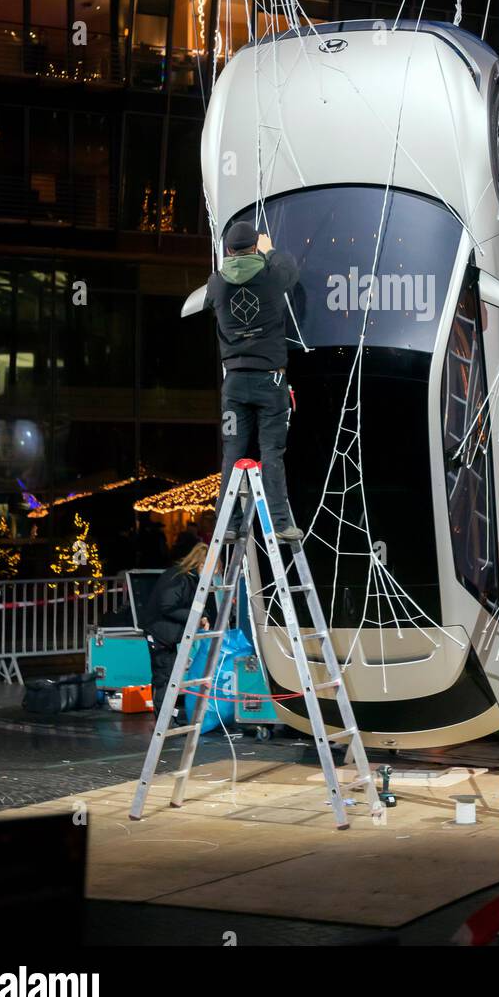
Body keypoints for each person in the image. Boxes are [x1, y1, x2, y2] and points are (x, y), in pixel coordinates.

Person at [203, 220, 302, 542]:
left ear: (228, 250)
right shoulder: (272, 278)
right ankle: (281, 523)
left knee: (232, 453)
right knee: (271, 453)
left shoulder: (216, 284)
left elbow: (208, 302)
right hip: (270, 383)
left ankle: (227, 525)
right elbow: (289, 268)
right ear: (253, 247)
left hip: (234, 384)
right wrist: (269, 248)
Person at [139, 543, 218, 721]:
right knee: (164, 675)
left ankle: (167, 716)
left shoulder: (191, 579)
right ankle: (163, 718)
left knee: (169, 673)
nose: (213, 575)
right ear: (201, 565)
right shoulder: (177, 577)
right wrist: (195, 618)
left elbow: (192, 604)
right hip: (159, 631)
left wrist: (202, 616)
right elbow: (167, 606)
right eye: (212, 569)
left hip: (168, 633)